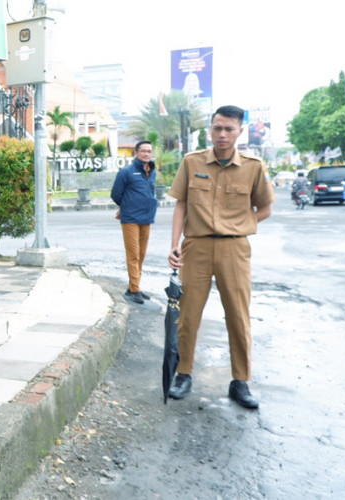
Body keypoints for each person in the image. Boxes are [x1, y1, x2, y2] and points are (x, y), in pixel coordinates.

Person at [166, 105, 275, 410]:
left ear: (240, 131)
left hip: (234, 249)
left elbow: (265, 207)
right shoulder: (192, 162)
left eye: (228, 128)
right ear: (210, 130)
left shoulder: (253, 167)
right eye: (217, 128)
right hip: (196, 247)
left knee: (238, 316)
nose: (222, 134)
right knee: (187, 315)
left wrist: (241, 226)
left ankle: (240, 381)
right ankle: (183, 373)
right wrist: (174, 245)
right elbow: (181, 206)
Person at [110, 140, 158, 304]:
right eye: (143, 151)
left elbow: (150, 192)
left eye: (149, 151)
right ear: (136, 153)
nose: (146, 154)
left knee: (142, 255)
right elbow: (116, 194)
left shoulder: (152, 172)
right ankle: (135, 289)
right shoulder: (127, 172)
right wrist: (126, 207)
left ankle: (132, 287)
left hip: (147, 218)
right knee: (133, 255)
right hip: (130, 219)